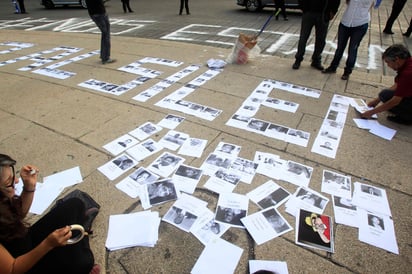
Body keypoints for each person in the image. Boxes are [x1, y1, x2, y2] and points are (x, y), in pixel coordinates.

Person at [0, 154, 100, 274]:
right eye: (8, 182)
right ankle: (80, 240)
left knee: (75, 204)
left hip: (25, 241)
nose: (16, 181)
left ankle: (78, 239)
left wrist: (29, 187)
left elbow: (17, 216)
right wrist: (48, 244)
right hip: (26, 265)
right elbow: (12, 270)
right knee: (85, 262)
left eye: (13, 177)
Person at [322, 0, 375, 80]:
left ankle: (347, 71)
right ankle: (333, 66)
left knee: (353, 48)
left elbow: (372, 6)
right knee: (340, 47)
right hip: (345, 22)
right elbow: (347, 2)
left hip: (360, 23)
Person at [361, 44, 412, 125]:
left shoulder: (408, 73)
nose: (388, 66)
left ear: (396, 59)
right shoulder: (408, 63)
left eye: (388, 62)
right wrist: (377, 100)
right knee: (384, 95)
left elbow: (395, 100)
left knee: (387, 97)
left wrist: (371, 112)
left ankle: (408, 118)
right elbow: (398, 85)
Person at [292, 0, 341, 70]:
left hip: (323, 13)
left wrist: (333, 11)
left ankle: (316, 59)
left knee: (321, 39)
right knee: (303, 37)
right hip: (309, 12)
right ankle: (298, 59)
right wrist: (303, 7)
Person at [85, 0, 115, 64]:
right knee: (106, 35)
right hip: (99, 13)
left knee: (105, 34)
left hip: (96, 13)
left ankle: (104, 56)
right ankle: (105, 58)